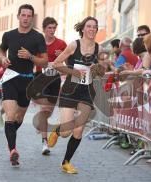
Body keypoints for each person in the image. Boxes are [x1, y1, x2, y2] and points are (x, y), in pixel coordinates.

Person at [47, 16, 105, 174]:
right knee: (66, 132)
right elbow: (57, 64)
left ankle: (66, 162)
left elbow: (100, 72)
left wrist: (97, 68)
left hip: (86, 91)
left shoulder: (98, 48)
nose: (92, 29)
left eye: (95, 26)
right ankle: (58, 132)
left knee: (78, 130)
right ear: (83, 28)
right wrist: (74, 72)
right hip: (70, 90)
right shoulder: (74, 45)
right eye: (89, 26)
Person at [0, 4, 48, 167]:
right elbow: (0, 51)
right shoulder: (9, 35)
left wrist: (31, 56)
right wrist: (2, 59)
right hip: (10, 78)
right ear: (18, 16)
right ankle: (13, 150)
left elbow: (45, 61)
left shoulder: (37, 37)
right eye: (23, 15)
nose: (26, 18)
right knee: (10, 116)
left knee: (19, 118)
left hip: (27, 81)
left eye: (29, 16)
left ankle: (10, 136)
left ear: (32, 18)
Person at [27, 17, 67, 155]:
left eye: (54, 27)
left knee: (48, 112)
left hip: (54, 79)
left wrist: (62, 56)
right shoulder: (37, 43)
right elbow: (30, 59)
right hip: (40, 77)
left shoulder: (61, 43)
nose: (52, 30)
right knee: (44, 110)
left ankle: (41, 122)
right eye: (49, 28)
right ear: (44, 29)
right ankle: (44, 142)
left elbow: (68, 60)